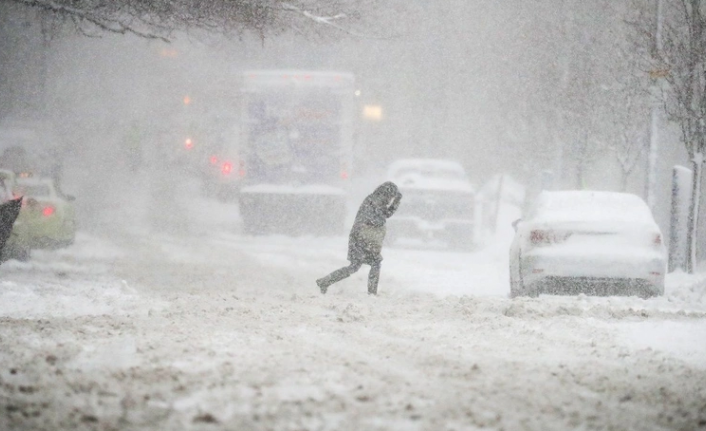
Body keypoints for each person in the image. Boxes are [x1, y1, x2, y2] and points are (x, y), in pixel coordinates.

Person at [317, 181, 402, 295]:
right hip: (361, 239)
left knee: (361, 265)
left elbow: (385, 214)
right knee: (364, 264)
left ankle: (325, 281)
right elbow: (379, 217)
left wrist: (396, 203)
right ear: (386, 194)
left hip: (364, 239)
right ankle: (371, 293)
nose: (390, 199)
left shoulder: (375, 200)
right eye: (391, 196)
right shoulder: (374, 201)